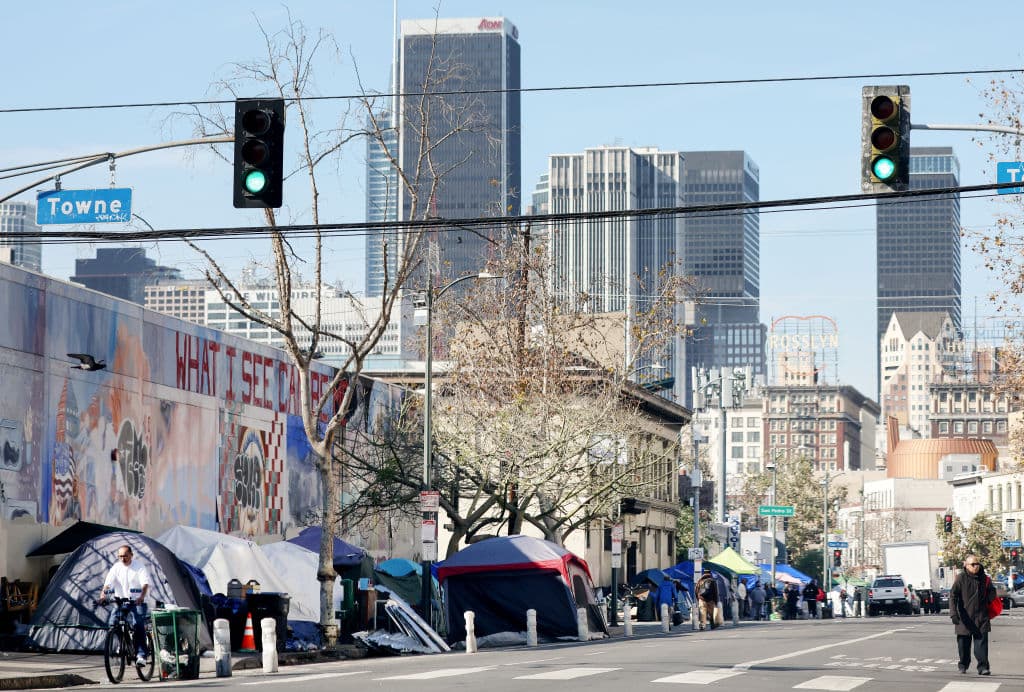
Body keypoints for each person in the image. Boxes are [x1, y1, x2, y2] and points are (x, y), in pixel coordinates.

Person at [98, 544, 151, 666]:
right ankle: (123, 642)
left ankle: (141, 654)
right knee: (113, 622)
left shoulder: (139, 566)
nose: (123, 559)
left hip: (137, 601)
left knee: (138, 624)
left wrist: (141, 597)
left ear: (131, 555)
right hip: (121, 601)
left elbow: (145, 584)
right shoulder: (116, 568)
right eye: (120, 556)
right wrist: (103, 596)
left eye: (125, 556)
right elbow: (108, 584)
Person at [950, 554, 996, 676]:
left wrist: (988, 600)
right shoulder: (961, 578)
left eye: (977, 564)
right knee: (963, 646)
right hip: (964, 618)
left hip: (981, 617)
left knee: (981, 645)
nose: (976, 566)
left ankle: (983, 667)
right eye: (973, 564)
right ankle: (963, 664)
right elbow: (953, 596)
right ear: (966, 565)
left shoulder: (985, 578)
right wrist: (953, 613)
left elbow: (992, 591)